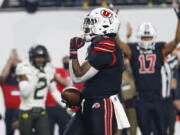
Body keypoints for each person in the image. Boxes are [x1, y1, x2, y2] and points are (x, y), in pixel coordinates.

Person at [63, 7, 130, 135]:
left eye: (93, 22)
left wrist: (73, 51)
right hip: (90, 101)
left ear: (104, 25)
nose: (88, 25)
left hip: (103, 103)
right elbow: (77, 77)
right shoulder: (98, 44)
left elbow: (78, 76)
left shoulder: (106, 44)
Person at [116, 9, 180, 135]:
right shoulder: (133, 49)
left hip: (158, 98)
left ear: (153, 37)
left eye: (148, 36)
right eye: (144, 36)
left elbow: (177, 39)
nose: (146, 39)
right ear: (139, 37)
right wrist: (114, 22)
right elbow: (118, 43)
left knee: (161, 131)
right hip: (141, 100)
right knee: (145, 132)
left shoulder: (160, 48)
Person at [15, 45, 66, 135]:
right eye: (37, 57)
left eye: (42, 57)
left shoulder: (49, 70)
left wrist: (65, 105)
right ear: (32, 57)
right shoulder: (24, 68)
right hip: (26, 111)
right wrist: (36, 77)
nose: (40, 60)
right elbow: (24, 93)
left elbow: (54, 91)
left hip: (41, 110)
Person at [0, 49, 21, 135]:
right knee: (9, 133)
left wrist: (18, 60)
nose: (14, 63)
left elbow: (28, 71)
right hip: (10, 111)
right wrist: (9, 60)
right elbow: (3, 75)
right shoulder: (5, 80)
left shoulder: (22, 78)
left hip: (22, 110)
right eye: (12, 61)